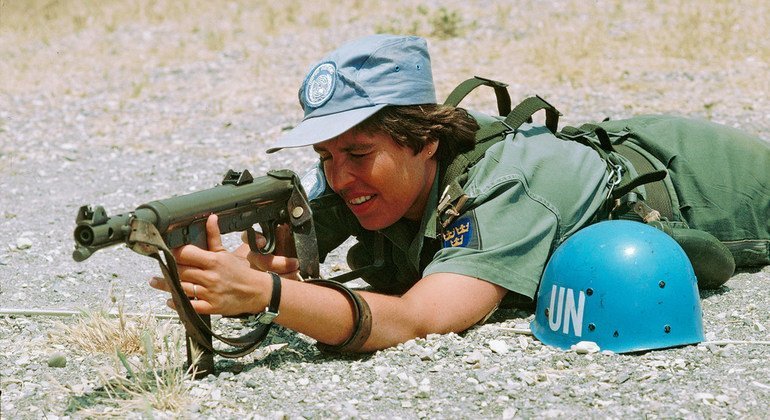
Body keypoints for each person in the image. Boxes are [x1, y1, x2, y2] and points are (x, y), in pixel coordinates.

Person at [149, 34, 770, 353]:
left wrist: (269, 295)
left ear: (423, 141)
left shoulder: (504, 189)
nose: (338, 180)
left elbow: (418, 320)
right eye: (325, 157)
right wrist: (260, 270)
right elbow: (324, 243)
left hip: (718, 183)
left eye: (359, 154)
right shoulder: (388, 174)